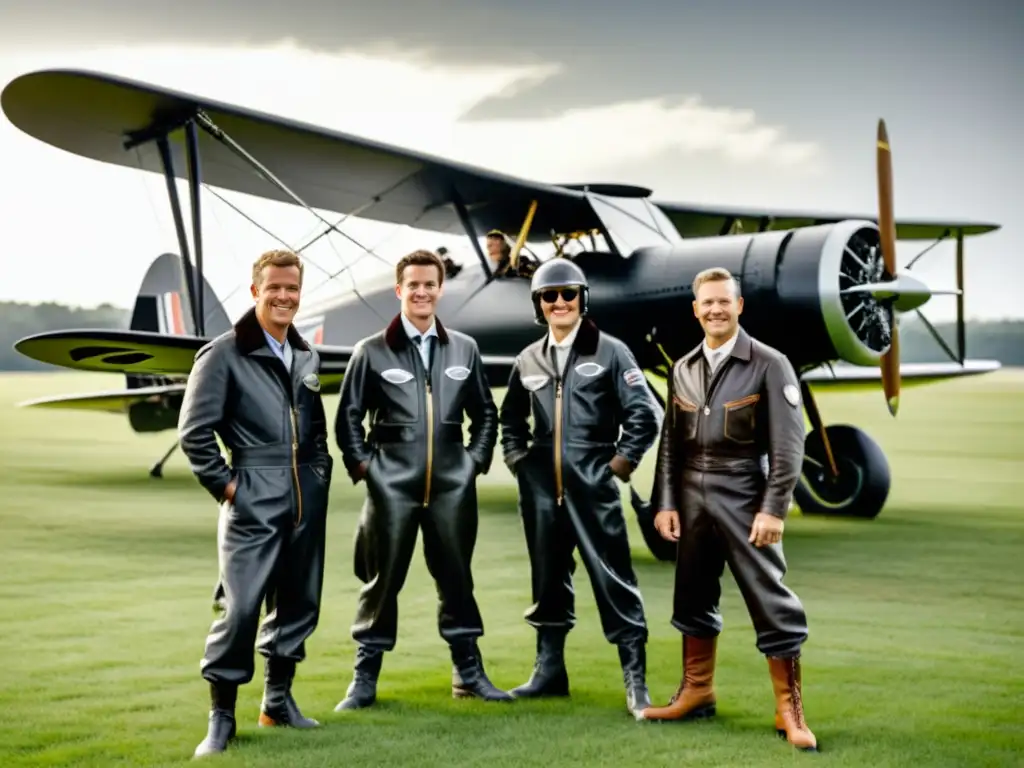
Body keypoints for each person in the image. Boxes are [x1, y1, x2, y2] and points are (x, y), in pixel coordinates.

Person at [637, 267, 817, 752]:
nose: (715, 309)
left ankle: (790, 710)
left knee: (770, 600)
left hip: (744, 492)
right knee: (692, 597)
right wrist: (666, 503)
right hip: (691, 498)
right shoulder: (683, 367)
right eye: (706, 303)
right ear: (695, 310)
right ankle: (696, 691)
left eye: (724, 301)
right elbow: (671, 444)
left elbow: (789, 446)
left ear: (739, 306)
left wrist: (774, 508)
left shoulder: (769, 364)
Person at [333, 248, 511, 708]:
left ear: (439, 289)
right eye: (413, 284)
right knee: (382, 581)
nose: (422, 291)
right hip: (391, 486)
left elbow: (485, 415)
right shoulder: (370, 351)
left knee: (457, 580)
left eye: (429, 284)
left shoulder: (464, 349)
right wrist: (370, 472)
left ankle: (468, 674)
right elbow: (347, 420)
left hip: (453, 488)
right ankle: (364, 679)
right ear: (399, 290)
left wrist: (471, 464)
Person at [177, 249, 333, 758]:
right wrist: (229, 488)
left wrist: (319, 475)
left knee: (298, 603)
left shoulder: (306, 354)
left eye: (292, 288)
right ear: (255, 292)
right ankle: (221, 718)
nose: (284, 296)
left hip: (306, 498)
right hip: (250, 498)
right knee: (241, 609)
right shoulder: (222, 354)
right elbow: (195, 434)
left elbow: (314, 428)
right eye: (274, 288)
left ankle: (277, 701)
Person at [499, 257, 661, 717]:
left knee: (614, 579)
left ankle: (636, 682)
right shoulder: (527, 358)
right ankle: (549, 673)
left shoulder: (611, 351)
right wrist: (517, 459)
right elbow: (510, 418)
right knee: (547, 580)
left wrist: (618, 464)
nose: (560, 302)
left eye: (569, 293)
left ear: (582, 299)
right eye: (550, 296)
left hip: (593, 485)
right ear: (539, 304)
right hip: (539, 493)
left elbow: (643, 414)